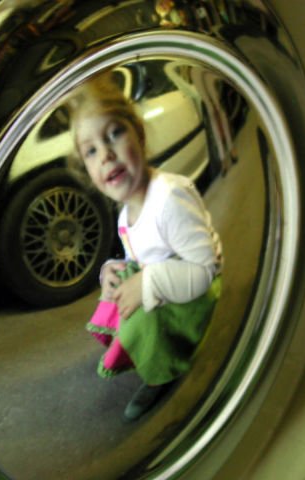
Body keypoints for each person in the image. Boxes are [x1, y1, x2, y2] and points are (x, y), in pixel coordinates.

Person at [66, 72, 223, 422]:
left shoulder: (169, 198)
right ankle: (138, 345)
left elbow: (204, 271)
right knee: (117, 293)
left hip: (198, 288)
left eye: (114, 134)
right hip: (171, 272)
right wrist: (115, 271)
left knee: (140, 318)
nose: (106, 155)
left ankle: (163, 370)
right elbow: (140, 254)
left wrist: (148, 283)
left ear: (138, 132)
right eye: (91, 151)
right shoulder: (126, 214)